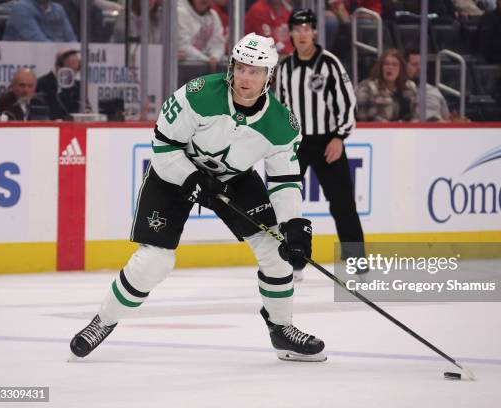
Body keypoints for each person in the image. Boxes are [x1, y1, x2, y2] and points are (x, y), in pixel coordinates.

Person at [69, 33, 326, 363]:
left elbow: (285, 181)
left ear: (268, 77)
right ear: (232, 66)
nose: (245, 78)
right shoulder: (199, 94)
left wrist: (294, 226)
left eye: (255, 71)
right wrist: (191, 179)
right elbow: (163, 148)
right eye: (241, 68)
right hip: (175, 171)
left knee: (276, 251)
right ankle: (102, 322)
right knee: (155, 261)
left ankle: (282, 329)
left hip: (233, 179)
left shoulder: (282, 124)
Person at [276, 9, 366, 279]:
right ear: (290, 33)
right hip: (296, 144)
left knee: (342, 204)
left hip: (328, 141)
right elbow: (279, 109)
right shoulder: (284, 68)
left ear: (314, 32)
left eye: (307, 28)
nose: (302, 34)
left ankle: (357, 264)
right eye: (297, 28)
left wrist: (339, 137)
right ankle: (292, 261)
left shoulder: (330, 64)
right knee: (286, 202)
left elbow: (348, 103)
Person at [356, 48, 418, 122]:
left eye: (394, 64)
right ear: (381, 67)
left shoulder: (410, 86)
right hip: (375, 131)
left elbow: (416, 115)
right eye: (386, 64)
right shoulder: (367, 87)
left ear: (401, 68)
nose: (390, 68)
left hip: (405, 131)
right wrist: (390, 127)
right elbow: (362, 115)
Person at [177, 0, 226, 71]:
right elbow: (182, 46)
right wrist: (206, 60)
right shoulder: (179, 12)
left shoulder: (213, 15)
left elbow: (218, 44)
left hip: (204, 71)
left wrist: (215, 56)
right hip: (181, 71)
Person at [36, 49, 85, 120]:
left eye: (76, 70)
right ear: (58, 67)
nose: (74, 74)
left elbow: (87, 109)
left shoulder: (79, 86)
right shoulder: (42, 84)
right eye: (70, 70)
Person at [404, 49, 451, 122]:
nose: (419, 68)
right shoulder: (398, 90)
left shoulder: (434, 91)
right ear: (404, 67)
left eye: (422, 64)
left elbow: (446, 117)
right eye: (414, 64)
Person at [3, 0, 76, 42]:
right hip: (25, 62)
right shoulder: (20, 8)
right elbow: (38, 41)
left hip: (59, 61)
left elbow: (72, 40)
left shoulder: (59, 9)